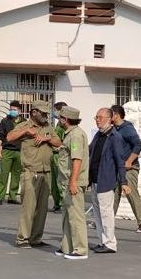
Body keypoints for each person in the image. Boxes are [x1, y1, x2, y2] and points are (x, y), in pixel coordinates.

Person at [7, 100, 61, 248]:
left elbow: (58, 142)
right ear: (34, 112)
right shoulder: (25, 126)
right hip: (31, 172)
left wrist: (47, 138)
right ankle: (22, 238)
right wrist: (25, 132)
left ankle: (36, 238)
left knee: (42, 208)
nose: (45, 116)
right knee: (28, 207)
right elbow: (9, 137)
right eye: (42, 113)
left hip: (46, 172)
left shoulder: (48, 127)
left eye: (46, 114)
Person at [89, 108, 130, 254]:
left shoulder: (115, 137)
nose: (97, 120)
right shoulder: (98, 136)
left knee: (106, 213)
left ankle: (110, 243)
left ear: (109, 119)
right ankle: (102, 241)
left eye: (100, 117)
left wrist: (123, 182)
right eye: (96, 117)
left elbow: (120, 161)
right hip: (94, 179)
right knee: (97, 213)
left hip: (106, 180)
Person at [56, 105, 90, 260]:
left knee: (76, 216)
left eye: (61, 118)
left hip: (73, 182)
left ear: (66, 119)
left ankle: (80, 249)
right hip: (66, 181)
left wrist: (73, 182)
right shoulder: (70, 134)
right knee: (67, 215)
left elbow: (77, 159)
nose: (59, 120)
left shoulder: (75, 135)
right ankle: (67, 246)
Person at [110, 104, 141, 234]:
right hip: (117, 168)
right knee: (113, 195)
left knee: (131, 194)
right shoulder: (114, 129)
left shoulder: (127, 129)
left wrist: (129, 161)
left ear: (116, 115)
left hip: (129, 168)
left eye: (110, 114)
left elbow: (138, 144)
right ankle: (107, 221)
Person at [0, 100, 25, 205]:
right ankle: (0, 197)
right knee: (4, 174)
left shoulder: (24, 122)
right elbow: (0, 136)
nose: (12, 111)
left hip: (19, 151)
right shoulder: (5, 121)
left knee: (16, 175)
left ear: (20, 111)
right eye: (11, 109)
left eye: (15, 110)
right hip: (7, 150)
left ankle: (12, 197)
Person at [50, 101, 67, 212]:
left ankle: (61, 203)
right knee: (54, 182)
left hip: (60, 156)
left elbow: (62, 142)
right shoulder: (58, 125)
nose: (54, 112)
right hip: (54, 155)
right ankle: (57, 203)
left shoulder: (64, 127)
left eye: (55, 110)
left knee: (60, 181)